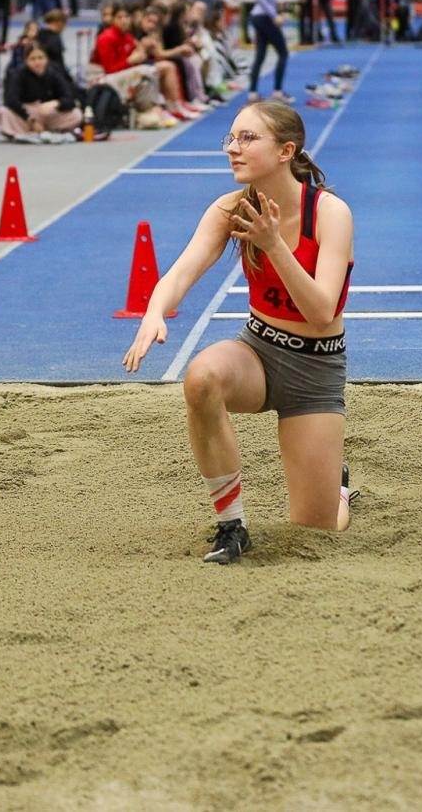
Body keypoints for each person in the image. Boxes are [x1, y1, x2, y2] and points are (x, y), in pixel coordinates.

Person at [121, 100, 355, 563]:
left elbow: (322, 310)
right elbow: (182, 272)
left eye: (248, 138)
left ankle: (340, 491)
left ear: (287, 150)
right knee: (201, 377)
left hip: (315, 369)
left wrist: (273, 245)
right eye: (230, 138)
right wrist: (155, 310)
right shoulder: (230, 208)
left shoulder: (329, 213)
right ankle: (232, 525)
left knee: (318, 527)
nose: (233, 148)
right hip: (259, 351)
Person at [1, 44, 83, 143]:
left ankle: (46, 130)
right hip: (27, 113)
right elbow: (11, 100)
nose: (37, 62)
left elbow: (70, 97)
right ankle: (28, 131)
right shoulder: (18, 74)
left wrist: (57, 103)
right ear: (26, 60)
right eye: (33, 59)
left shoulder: (53, 72)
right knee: (3, 112)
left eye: (40, 58)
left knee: (76, 114)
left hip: (48, 113)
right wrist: (30, 119)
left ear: (46, 59)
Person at [247, 0, 293, 104]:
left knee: (260, 55)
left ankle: (252, 92)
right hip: (264, 17)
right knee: (283, 52)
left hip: (259, 16)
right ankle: (278, 91)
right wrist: (274, 15)